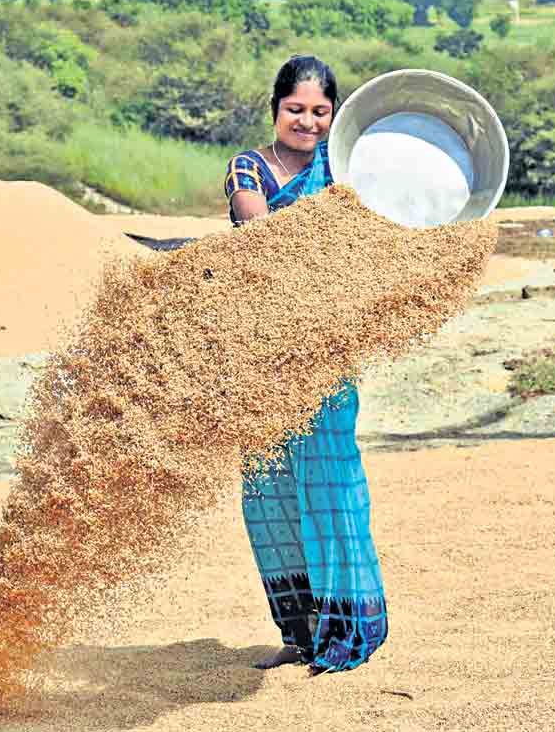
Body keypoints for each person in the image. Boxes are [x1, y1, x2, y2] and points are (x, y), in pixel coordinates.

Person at [223, 55, 389, 673]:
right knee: (268, 492)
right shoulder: (249, 168)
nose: (308, 121)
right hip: (262, 350)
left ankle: (347, 632)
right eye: (295, 109)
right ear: (275, 110)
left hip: (326, 351)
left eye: (321, 111)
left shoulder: (344, 173)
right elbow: (259, 231)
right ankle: (298, 631)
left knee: (331, 484)